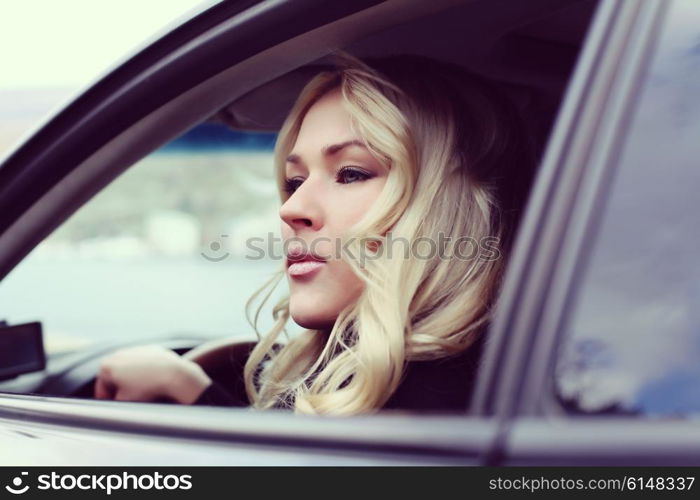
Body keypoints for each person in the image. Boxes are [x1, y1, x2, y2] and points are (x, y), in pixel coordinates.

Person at [94, 53, 535, 416]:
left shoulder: (422, 403)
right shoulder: (487, 380)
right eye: (294, 181)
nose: (292, 209)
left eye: (350, 173)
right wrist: (191, 387)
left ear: (449, 207)